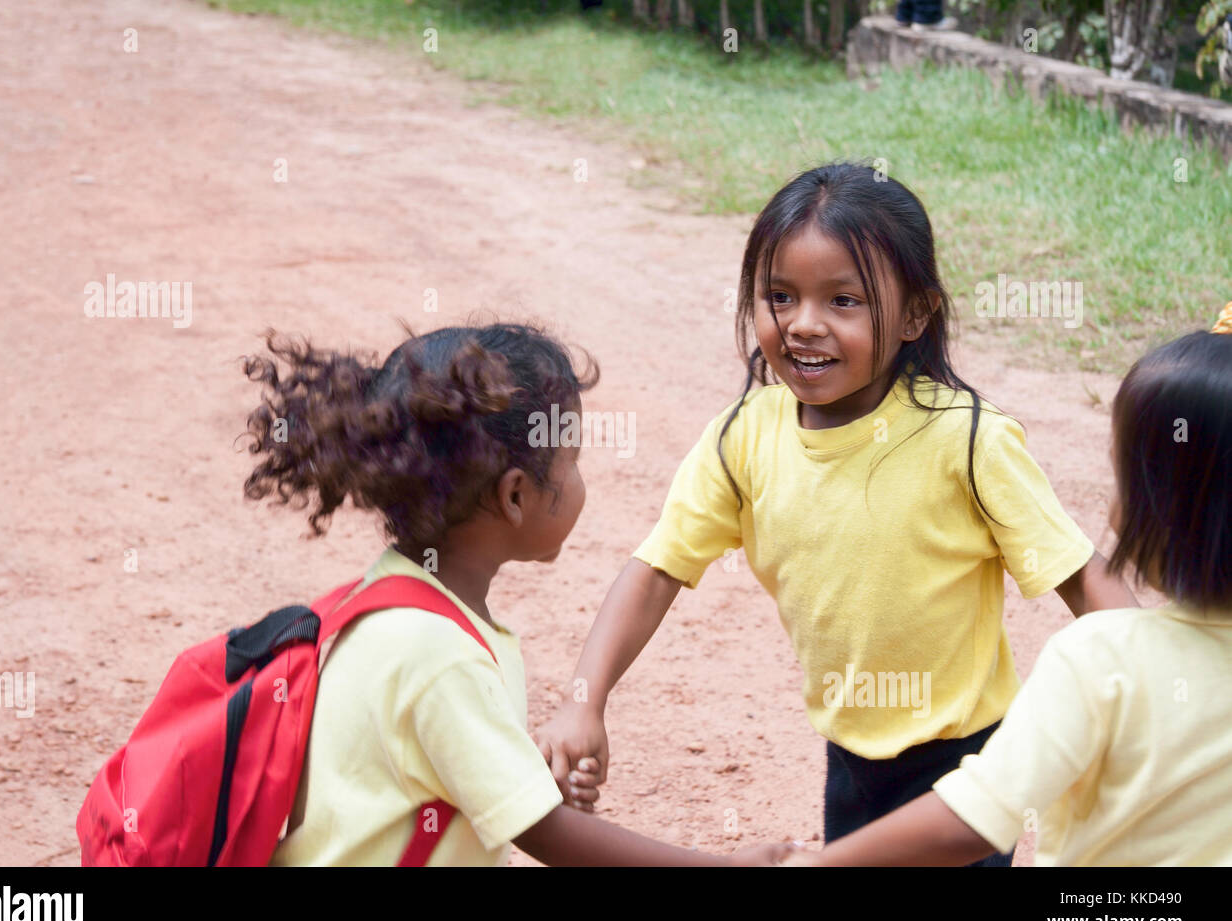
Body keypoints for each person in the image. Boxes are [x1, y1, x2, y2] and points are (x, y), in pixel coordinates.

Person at [534, 163, 1137, 867]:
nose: (803, 325)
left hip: (965, 763)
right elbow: (656, 570)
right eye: (779, 296)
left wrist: (1155, 679)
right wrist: (585, 698)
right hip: (848, 756)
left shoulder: (966, 441)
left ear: (915, 314)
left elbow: (1080, 576)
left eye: (843, 301)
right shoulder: (745, 436)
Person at [246, 322, 791, 866]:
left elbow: (441, 768)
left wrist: (528, 779)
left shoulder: (389, 600)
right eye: (570, 462)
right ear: (514, 495)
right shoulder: (437, 650)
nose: (580, 481)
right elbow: (542, 834)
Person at [789, 324, 1232, 865]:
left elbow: (977, 818)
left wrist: (814, 864)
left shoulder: (1100, 659)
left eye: (1121, 480)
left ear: (1158, 512)